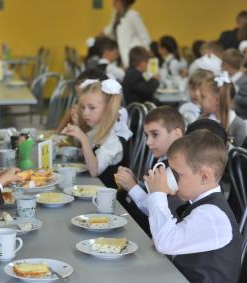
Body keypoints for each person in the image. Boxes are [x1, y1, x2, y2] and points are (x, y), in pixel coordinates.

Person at [145, 130, 241, 282]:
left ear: (204, 177)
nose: (172, 178)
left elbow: (165, 242)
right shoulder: (203, 205)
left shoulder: (212, 216)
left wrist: (158, 194)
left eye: (177, 174)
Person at [114, 106, 185, 234]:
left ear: (177, 134)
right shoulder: (163, 159)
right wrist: (137, 182)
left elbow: (157, 209)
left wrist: (132, 187)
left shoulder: (178, 168)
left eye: (155, 134)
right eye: (147, 136)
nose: (148, 142)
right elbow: (154, 192)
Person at [61, 79, 128, 187]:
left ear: (107, 109)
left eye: (92, 108)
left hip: (108, 197)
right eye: (83, 107)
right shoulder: (96, 130)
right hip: (91, 188)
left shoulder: (113, 140)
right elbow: (80, 147)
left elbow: (94, 171)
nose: (85, 113)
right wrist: (77, 128)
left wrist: (83, 138)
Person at [199, 70, 247, 146]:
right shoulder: (202, 119)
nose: (199, 100)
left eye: (203, 97)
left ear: (217, 100)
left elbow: (239, 156)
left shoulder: (238, 126)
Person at [56, 69, 108, 133]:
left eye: (92, 107)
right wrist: (68, 117)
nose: (80, 103)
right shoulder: (80, 109)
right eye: (79, 98)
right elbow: (58, 133)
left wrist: (79, 126)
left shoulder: (111, 121)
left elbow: (91, 141)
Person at [101, 0, 150, 68]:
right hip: (122, 53)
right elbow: (110, 29)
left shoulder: (133, 15)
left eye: (116, 1)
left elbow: (144, 35)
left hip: (135, 53)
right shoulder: (116, 14)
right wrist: (102, 34)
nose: (113, 3)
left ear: (121, 2)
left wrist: (147, 50)